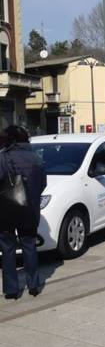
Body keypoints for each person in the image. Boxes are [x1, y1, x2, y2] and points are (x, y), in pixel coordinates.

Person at [0, 126, 46, 299]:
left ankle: (12, 290)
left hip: (6, 209)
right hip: (29, 209)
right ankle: (33, 285)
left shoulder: (3, 157)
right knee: (29, 246)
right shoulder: (36, 157)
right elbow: (43, 183)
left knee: (8, 248)